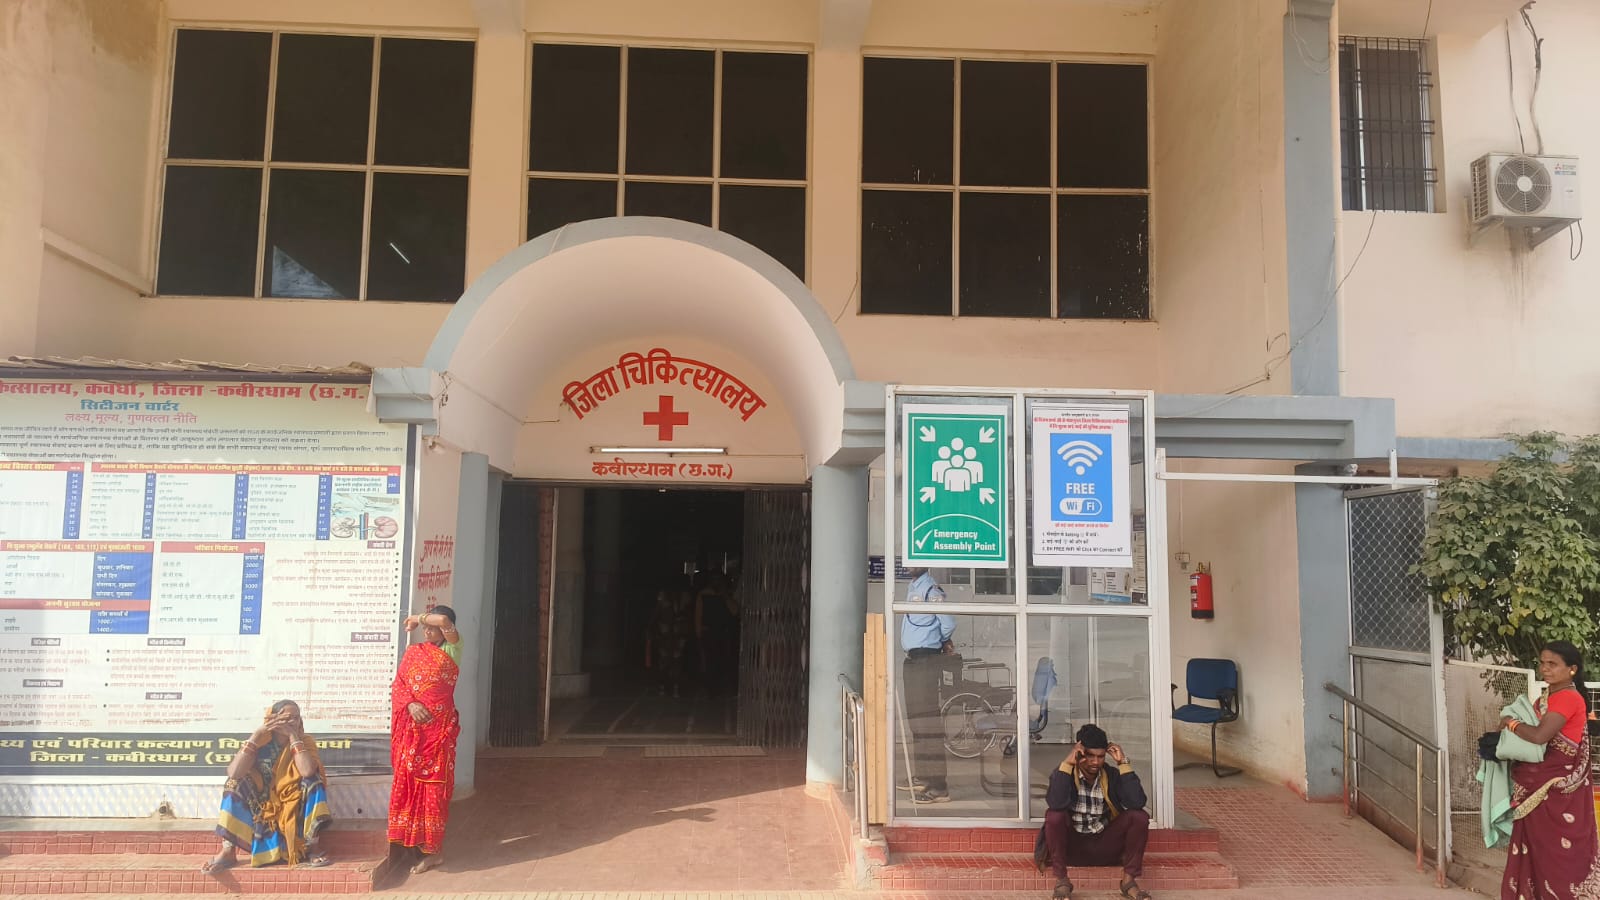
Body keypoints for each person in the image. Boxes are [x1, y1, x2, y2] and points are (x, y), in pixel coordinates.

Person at [1497, 641, 1600, 899]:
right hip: (1539, 786)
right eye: (1542, 663)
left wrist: (1510, 723)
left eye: (1552, 664)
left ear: (1572, 669)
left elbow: (1539, 736)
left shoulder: (1568, 697)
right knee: (1539, 853)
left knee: (1556, 859)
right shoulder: (1547, 697)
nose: (1545, 669)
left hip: (1555, 789)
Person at [201, 699, 330, 874]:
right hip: (262, 805)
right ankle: (228, 851)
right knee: (233, 783)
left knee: (313, 780)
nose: (293, 721)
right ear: (273, 719)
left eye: (296, 718)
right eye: (287, 718)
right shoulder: (261, 741)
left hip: (293, 804)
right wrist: (257, 735)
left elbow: (307, 770)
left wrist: (293, 737)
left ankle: (312, 848)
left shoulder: (305, 741)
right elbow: (234, 772)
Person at [1035, 723, 1152, 900]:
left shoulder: (1111, 775)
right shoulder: (1065, 773)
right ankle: (1062, 882)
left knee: (1139, 817)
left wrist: (1123, 763)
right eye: (1090, 756)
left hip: (1105, 845)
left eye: (1100, 756)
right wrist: (1067, 763)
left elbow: (1137, 802)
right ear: (1079, 753)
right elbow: (1056, 804)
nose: (1096, 762)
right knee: (1054, 816)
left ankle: (1128, 882)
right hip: (1073, 847)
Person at [387, 605, 462, 875]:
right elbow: (399, 685)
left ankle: (433, 852)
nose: (427, 631)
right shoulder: (414, 652)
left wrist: (415, 618)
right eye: (425, 628)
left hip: (438, 734)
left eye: (433, 627)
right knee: (408, 781)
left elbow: (443, 618)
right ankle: (411, 843)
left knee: (434, 790)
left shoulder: (453, 647)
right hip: (412, 732)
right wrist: (410, 704)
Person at [900, 567, 954, 804]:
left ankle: (939, 786)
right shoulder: (914, 587)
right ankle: (923, 775)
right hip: (913, 659)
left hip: (926, 659)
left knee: (928, 723)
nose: (908, 563)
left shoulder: (931, 589)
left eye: (914, 558)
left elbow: (948, 622)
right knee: (916, 722)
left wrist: (942, 641)